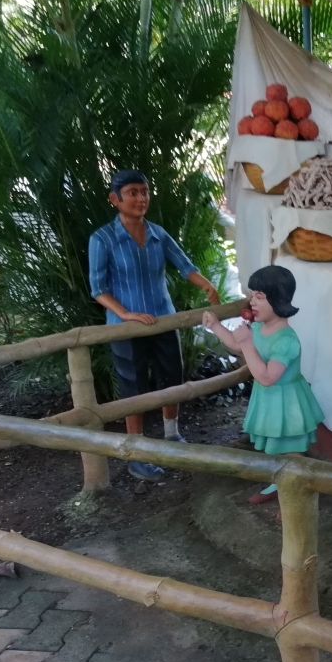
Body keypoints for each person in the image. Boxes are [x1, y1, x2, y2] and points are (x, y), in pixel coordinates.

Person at [89, 169, 220, 483]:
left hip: (164, 318)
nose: (140, 198)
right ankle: (137, 454)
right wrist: (127, 314)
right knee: (133, 387)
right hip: (124, 327)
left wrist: (207, 285)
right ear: (114, 199)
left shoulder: (159, 233)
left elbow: (185, 265)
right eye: (132, 192)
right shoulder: (102, 238)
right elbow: (98, 289)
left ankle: (172, 436)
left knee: (171, 377)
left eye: (144, 192)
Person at [202, 265, 324, 505]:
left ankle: (296, 500)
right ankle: (279, 485)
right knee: (276, 448)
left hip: (286, 401)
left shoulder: (287, 340)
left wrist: (247, 343)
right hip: (269, 400)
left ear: (278, 300)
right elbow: (237, 346)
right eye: (251, 296)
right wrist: (216, 327)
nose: (252, 303)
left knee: (292, 451)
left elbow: (267, 377)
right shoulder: (258, 327)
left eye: (260, 297)